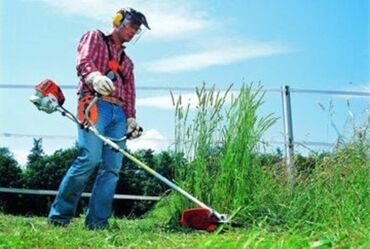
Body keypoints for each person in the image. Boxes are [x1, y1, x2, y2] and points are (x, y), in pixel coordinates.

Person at [48, 8, 150, 229]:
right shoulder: (95, 37)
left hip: (119, 114)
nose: (134, 31)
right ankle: (59, 217)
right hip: (94, 105)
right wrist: (94, 76)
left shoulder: (128, 62)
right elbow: (84, 60)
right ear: (117, 21)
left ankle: (97, 223)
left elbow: (130, 91)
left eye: (137, 29)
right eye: (131, 25)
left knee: (112, 169)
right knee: (89, 159)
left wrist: (131, 118)